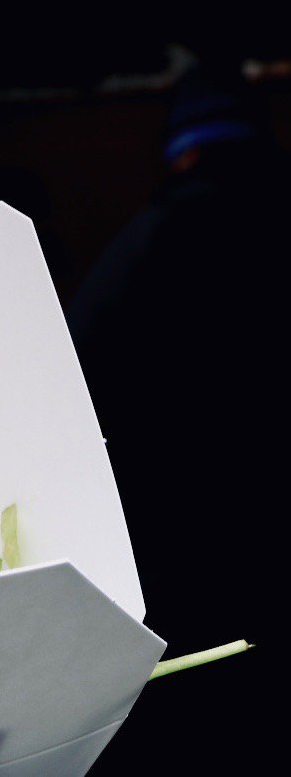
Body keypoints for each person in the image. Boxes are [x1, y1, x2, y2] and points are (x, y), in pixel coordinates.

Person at [68, 62, 281, 769]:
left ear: (181, 149)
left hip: (173, 544)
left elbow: (78, 397)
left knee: (197, 717)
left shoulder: (138, 248)